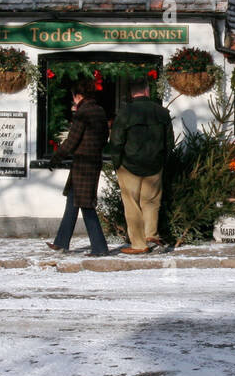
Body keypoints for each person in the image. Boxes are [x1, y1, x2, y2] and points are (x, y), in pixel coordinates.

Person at [109, 77, 174, 255]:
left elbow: (116, 141)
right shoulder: (162, 112)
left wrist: (117, 164)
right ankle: (151, 235)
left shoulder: (125, 112)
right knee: (152, 202)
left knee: (132, 204)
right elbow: (170, 143)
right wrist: (163, 162)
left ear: (132, 93)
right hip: (154, 165)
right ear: (147, 91)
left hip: (129, 165)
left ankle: (139, 244)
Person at [47, 80, 109, 256]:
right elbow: (104, 137)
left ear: (79, 96)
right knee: (73, 203)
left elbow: (72, 141)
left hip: (83, 164)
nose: (73, 101)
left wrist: (55, 158)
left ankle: (100, 248)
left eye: (74, 97)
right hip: (93, 162)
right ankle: (61, 242)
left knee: (86, 205)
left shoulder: (83, 113)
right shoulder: (99, 110)